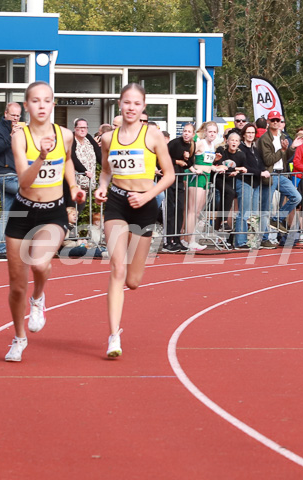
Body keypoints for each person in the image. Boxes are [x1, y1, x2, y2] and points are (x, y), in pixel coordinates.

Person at [3, 81, 85, 362]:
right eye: (35, 101)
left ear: (53, 104)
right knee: (15, 286)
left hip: (53, 212)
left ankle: (38, 298)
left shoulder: (64, 134)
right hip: (23, 210)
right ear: (26, 106)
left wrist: (73, 187)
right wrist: (41, 156)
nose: (41, 105)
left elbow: (69, 161)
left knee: (39, 263)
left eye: (46, 100)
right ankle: (18, 337)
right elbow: (24, 182)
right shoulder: (20, 137)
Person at [94, 83, 174, 357]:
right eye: (126, 102)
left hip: (144, 205)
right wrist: (102, 187)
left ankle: (131, 271)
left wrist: (147, 195)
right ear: (120, 104)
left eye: (136, 103)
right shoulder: (108, 139)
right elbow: (105, 172)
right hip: (117, 204)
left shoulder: (152, 135)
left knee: (134, 281)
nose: (131, 107)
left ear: (143, 108)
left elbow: (169, 175)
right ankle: (113, 336)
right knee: (117, 269)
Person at [258, 111, 302, 244]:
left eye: (278, 120)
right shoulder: (264, 139)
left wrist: (292, 147)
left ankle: (276, 219)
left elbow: (286, 158)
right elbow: (268, 159)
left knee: (296, 197)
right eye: (273, 120)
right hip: (270, 174)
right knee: (266, 207)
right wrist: (282, 151)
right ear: (268, 122)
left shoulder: (283, 136)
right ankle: (264, 238)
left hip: (281, 173)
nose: (276, 122)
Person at [0, 102, 22, 260]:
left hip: (17, 174)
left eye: (18, 116)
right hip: (3, 175)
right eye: (13, 115)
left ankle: (1, 250)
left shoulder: (22, 129)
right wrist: (11, 136)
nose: (15, 119)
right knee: (33, 196)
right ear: (6, 114)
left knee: (7, 214)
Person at [184, 121, 220, 251]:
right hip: (197, 178)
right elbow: (187, 156)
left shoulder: (212, 146)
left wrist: (215, 168)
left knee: (198, 211)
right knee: (192, 210)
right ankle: (190, 240)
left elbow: (208, 163)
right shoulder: (200, 143)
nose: (212, 134)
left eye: (214, 132)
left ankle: (188, 239)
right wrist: (193, 169)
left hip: (207, 178)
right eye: (210, 131)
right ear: (205, 132)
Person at [235, 123, 269, 249]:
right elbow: (245, 167)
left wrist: (263, 171)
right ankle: (240, 241)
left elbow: (259, 164)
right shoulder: (241, 149)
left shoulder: (255, 149)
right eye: (248, 132)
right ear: (244, 134)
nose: (250, 135)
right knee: (244, 213)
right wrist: (260, 172)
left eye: (252, 133)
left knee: (254, 214)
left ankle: (252, 241)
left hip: (256, 183)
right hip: (245, 182)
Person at [162, 123, 194, 252]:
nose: (186, 133)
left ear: (193, 134)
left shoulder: (191, 145)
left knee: (180, 209)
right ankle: (168, 241)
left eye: (189, 132)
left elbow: (189, 163)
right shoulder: (175, 143)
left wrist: (187, 160)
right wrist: (177, 161)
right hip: (170, 179)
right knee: (171, 209)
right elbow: (163, 157)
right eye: (185, 131)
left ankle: (177, 240)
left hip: (180, 180)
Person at [70, 118, 101, 214]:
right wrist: (84, 171)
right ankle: (68, 228)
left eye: (85, 128)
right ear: (75, 128)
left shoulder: (89, 139)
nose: (83, 130)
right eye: (80, 128)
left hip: (88, 183)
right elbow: (72, 157)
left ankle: (71, 227)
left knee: (79, 209)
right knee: (71, 210)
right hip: (76, 183)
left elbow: (99, 155)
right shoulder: (71, 139)